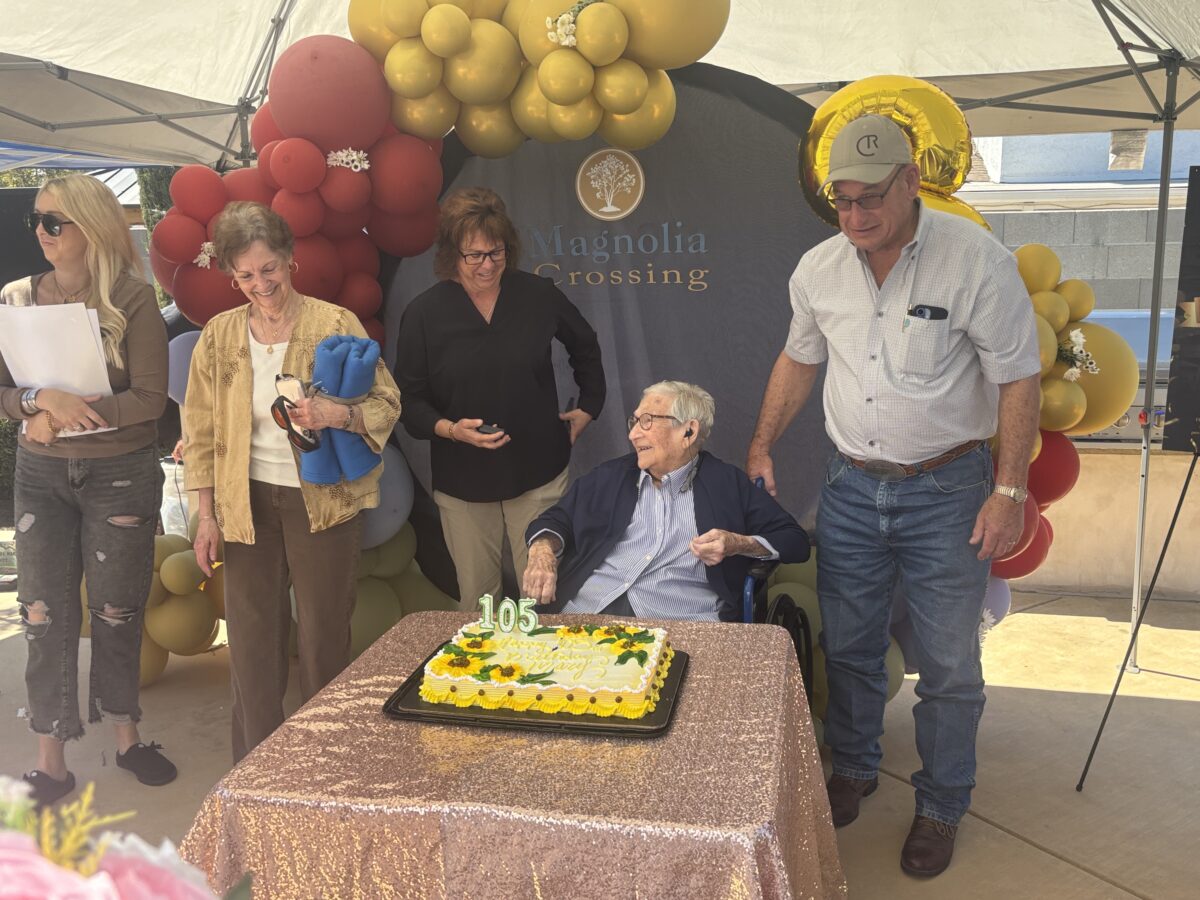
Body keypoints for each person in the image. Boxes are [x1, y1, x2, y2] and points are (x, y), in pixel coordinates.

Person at [746, 114, 1042, 876]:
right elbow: (798, 359)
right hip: (850, 487)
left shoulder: (975, 262)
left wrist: (1009, 489)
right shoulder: (819, 269)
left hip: (949, 490)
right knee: (849, 645)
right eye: (841, 201)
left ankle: (941, 803)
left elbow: (1018, 378)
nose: (855, 217)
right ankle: (853, 768)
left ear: (911, 182)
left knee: (948, 665)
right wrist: (762, 441)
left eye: (870, 198)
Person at [183, 202, 401, 762]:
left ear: (290, 260)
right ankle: (256, 773)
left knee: (324, 642)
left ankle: (325, 770)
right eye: (246, 275)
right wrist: (206, 516)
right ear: (232, 277)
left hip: (322, 503)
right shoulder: (218, 336)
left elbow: (387, 402)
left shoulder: (335, 323)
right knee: (252, 648)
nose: (261, 285)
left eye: (269, 269)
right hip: (244, 502)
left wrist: (338, 415)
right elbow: (200, 431)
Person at [0, 174, 176, 805]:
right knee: (42, 612)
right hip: (41, 474)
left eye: (55, 221)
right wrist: (37, 401)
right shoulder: (16, 298)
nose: (42, 232)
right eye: (37, 220)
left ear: (92, 227)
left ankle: (127, 738)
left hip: (119, 473)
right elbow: (5, 393)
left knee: (117, 609)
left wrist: (71, 413)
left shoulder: (133, 299)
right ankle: (51, 760)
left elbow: (151, 399)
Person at [394, 187, 605, 605]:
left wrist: (589, 406)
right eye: (475, 255)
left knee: (543, 599)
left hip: (539, 472)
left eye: (496, 252)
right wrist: (451, 430)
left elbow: (585, 346)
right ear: (451, 253)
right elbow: (409, 401)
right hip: (463, 483)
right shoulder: (424, 314)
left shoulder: (538, 295)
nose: (488, 265)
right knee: (480, 603)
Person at [522, 381, 809, 619]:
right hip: (589, 614)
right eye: (634, 422)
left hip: (676, 624)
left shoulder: (727, 484)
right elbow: (555, 520)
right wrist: (542, 552)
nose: (633, 434)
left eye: (647, 421)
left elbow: (794, 540)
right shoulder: (609, 477)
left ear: (688, 431)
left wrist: (737, 543)